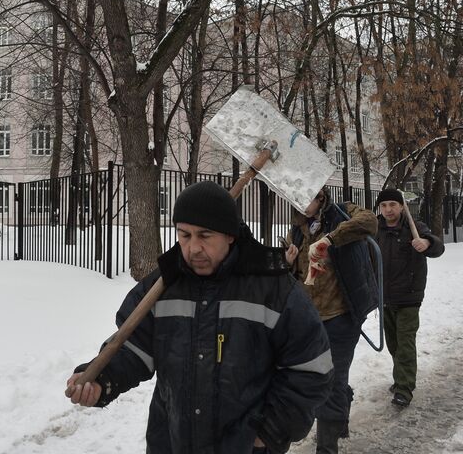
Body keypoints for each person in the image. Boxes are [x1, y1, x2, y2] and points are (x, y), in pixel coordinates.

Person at [66, 181, 334, 454]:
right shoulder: (161, 287)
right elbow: (134, 348)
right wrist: (103, 378)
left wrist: (271, 430)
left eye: (205, 236)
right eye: (184, 235)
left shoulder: (273, 289)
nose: (193, 248)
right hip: (171, 443)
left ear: (230, 235)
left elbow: (311, 368)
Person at [284, 187, 378, 454]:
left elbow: (370, 222)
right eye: (297, 200)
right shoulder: (298, 230)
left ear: (320, 198)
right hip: (312, 318)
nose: (302, 204)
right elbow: (298, 275)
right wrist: (288, 262)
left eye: (306, 198)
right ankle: (341, 415)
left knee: (332, 380)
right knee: (322, 377)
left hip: (342, 315)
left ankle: (327, 447)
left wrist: (332, 239)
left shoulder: (343, 212)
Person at [375, 189, 444, 407]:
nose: (388, 209)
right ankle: (401, 378)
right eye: (384, 205)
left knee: (405, 343)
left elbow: (438, 247)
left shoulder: (415, 227)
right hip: (385, 297)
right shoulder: (375, 229)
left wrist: (427, 243)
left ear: (402, 206)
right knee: (393, 344)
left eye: (392, 205)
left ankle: (404, 388)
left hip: (409, 296)